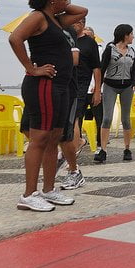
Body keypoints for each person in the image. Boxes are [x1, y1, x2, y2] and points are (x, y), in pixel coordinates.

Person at [8, 0, 87, 212]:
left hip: (61, 86)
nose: (67, 2)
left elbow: (82, 11)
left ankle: (49, 190)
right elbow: (15, 38)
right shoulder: (38, 17)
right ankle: (29, 194)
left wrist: (60, 2)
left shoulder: (55, 20)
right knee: (39, 139)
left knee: (54, 138)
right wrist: (31, 68)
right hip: (43, 86)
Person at [59, 17, 102, 190]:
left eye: (76, 23)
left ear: (82, 24)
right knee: (67, 122)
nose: (71, 25)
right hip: (64, 83)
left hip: (81, 85)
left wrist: (97, 90)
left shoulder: (89, 43)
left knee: (75, 120)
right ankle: (75, 145)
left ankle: (72, 168)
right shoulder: (64, 37)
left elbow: (96, 68)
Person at [94, 24, 135, 163]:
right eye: (131, 34)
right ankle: (103, 149)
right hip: (110, 85)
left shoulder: (132, 51)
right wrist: (98, 88)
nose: (133, 36)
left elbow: (134, 69)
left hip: (126, 86)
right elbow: (102, 69)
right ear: (125, 35)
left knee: (125, 119)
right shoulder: (110, 49)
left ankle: (127, 149)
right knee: (107, 118)